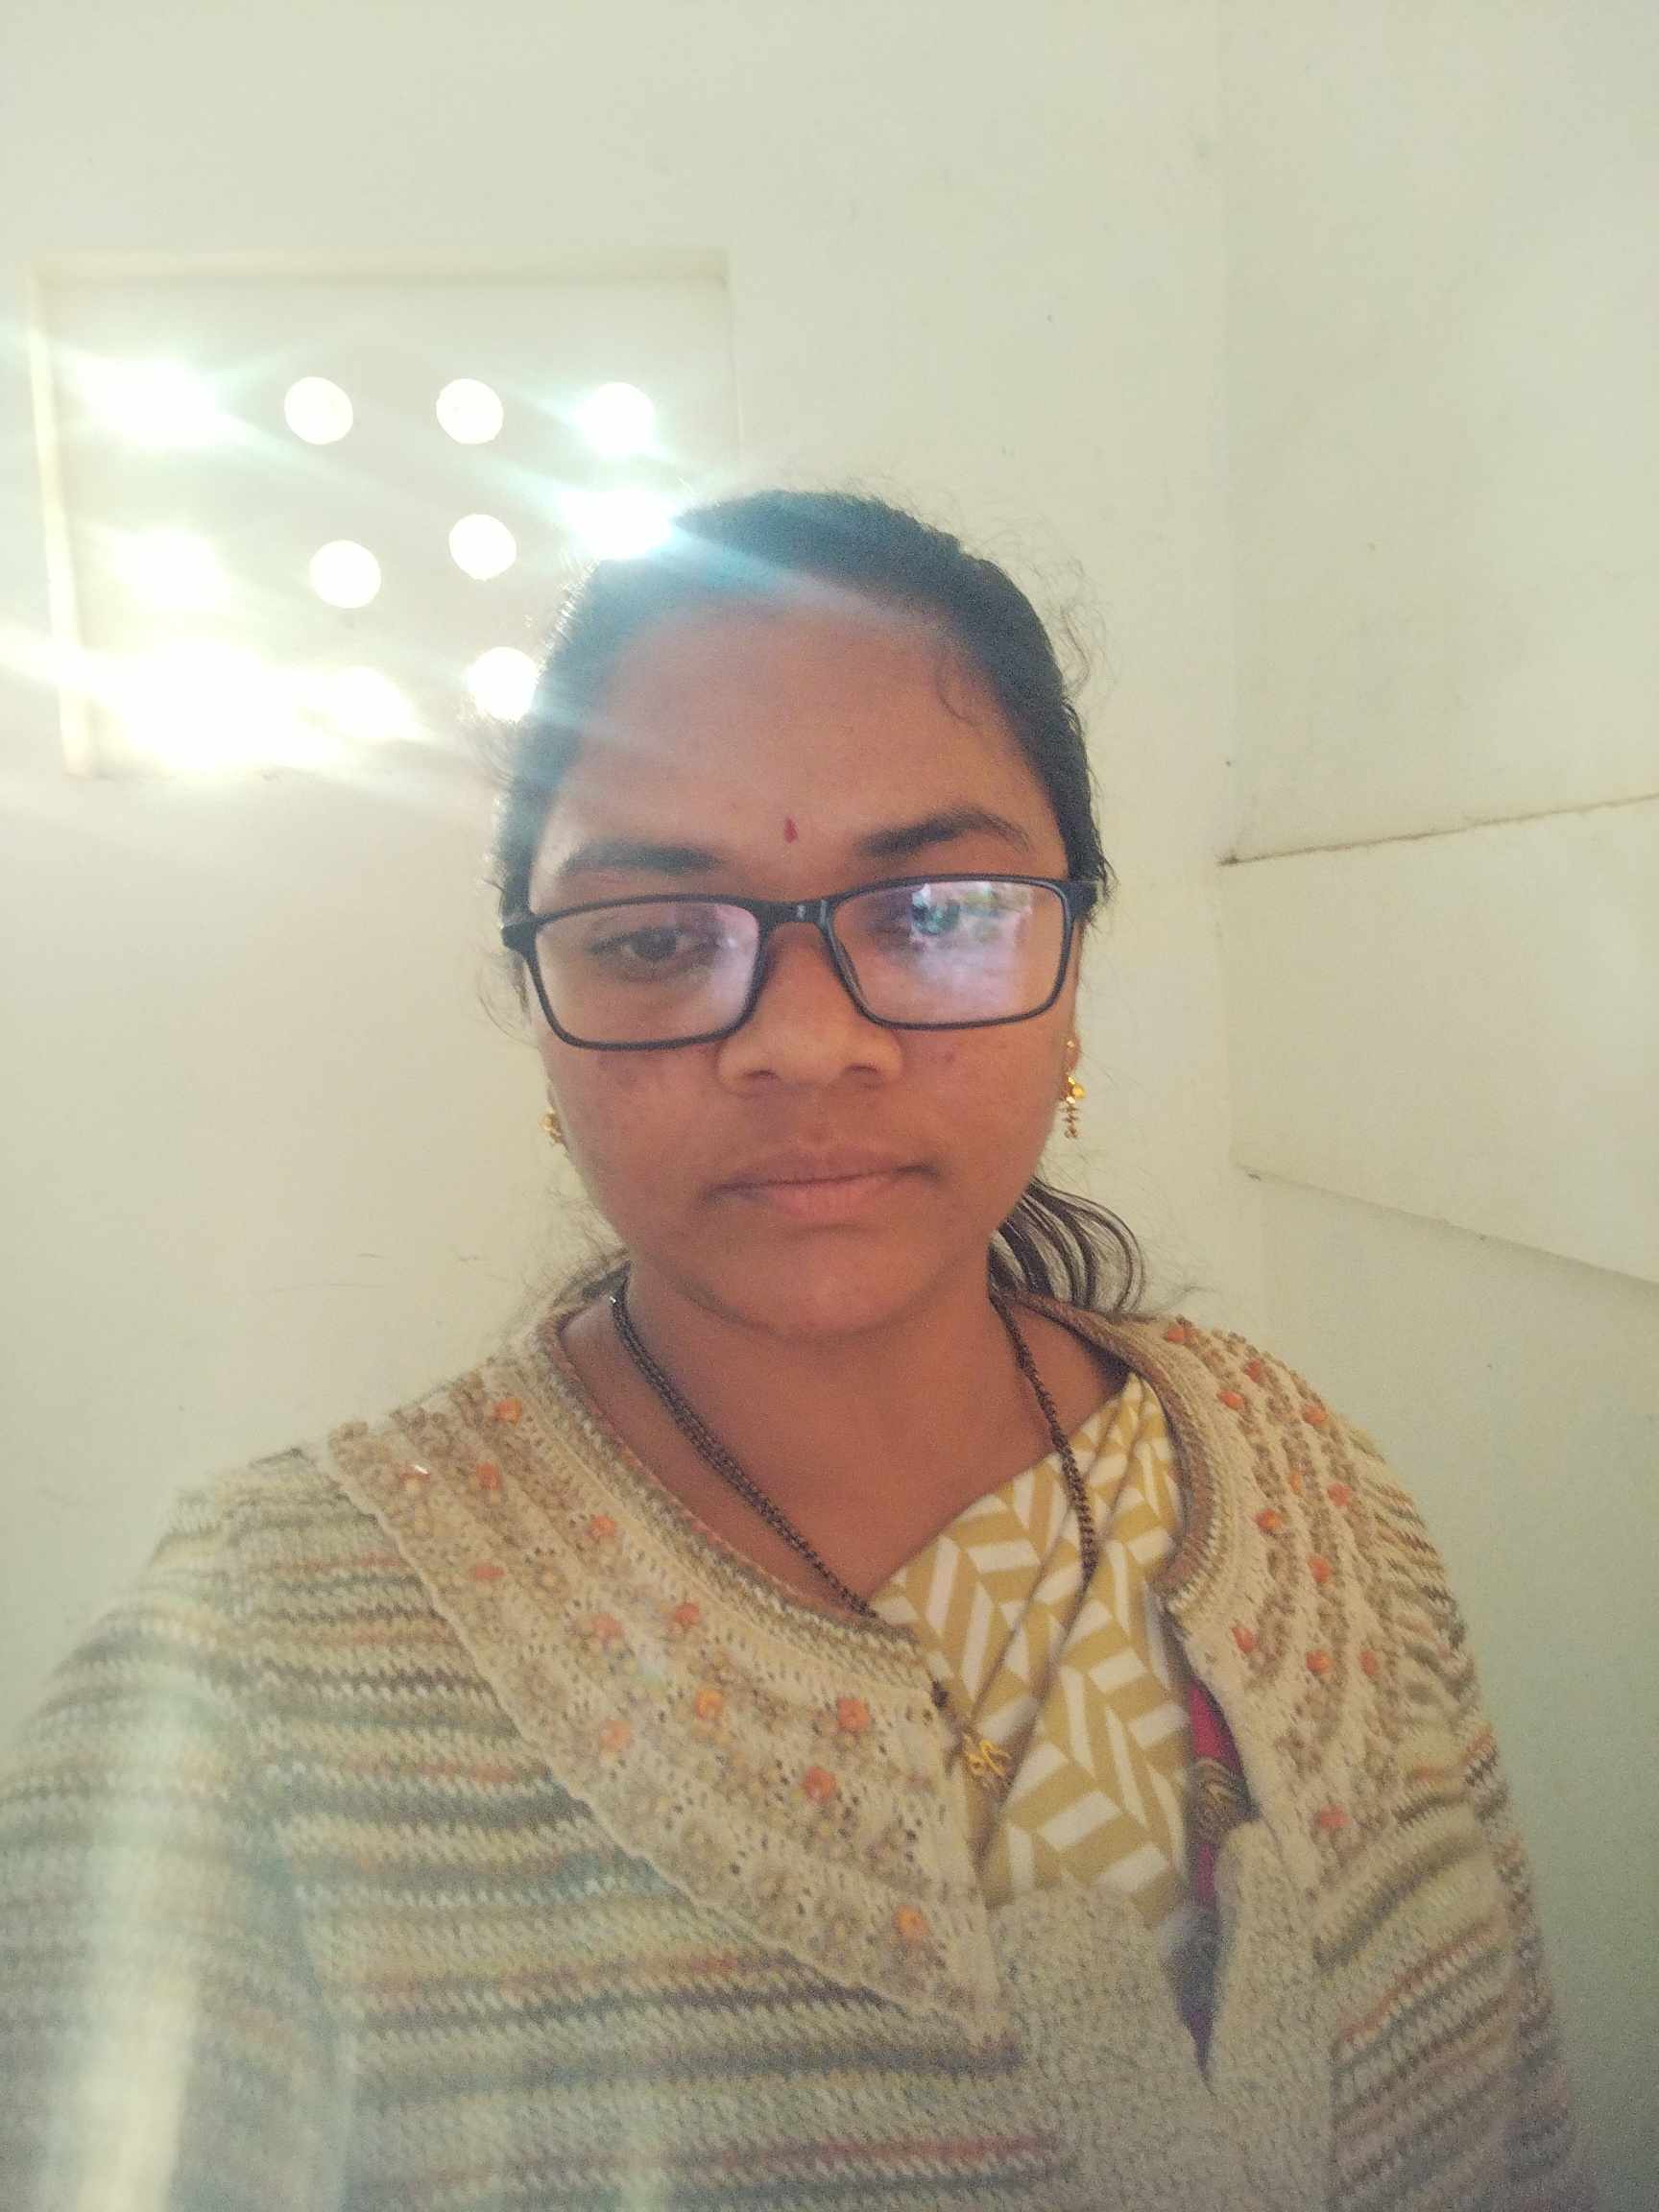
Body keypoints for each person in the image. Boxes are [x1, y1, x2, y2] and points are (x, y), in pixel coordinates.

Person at [0, 491, 1588, 2210]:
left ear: (1074, 962)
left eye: (937, 911)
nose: (808, 1045)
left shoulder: (1311, 1491)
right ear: (542, 1005)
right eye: (656, 940)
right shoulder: (257, 1686)